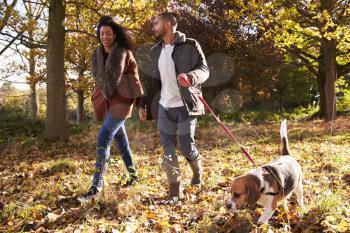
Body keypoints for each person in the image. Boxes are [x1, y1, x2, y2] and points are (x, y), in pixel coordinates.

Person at [139, 12, 209, 204]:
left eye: (157, 23)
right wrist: (143, 104)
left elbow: (204, 70)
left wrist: (191, 77)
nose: (154, 26)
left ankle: (197, 171)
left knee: (187, 147)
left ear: (168, 24)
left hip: (186, 106)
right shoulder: (155, 51)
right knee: (168, 150)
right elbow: (152, 82)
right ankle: (174, 193)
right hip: (164, 107)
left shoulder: (190, 45)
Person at [78, 16, 144, 203]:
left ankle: (95, 188)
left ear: (115, 35)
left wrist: (140, 103)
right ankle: (133, 175)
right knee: (121, 141)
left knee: (102, 140)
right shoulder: (96, 54)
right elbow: (98, 80)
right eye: (102, 33)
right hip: (104, 102)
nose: (105, 36)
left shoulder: (124, 53)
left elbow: (134, 79)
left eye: (108, 33)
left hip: (121, 103)